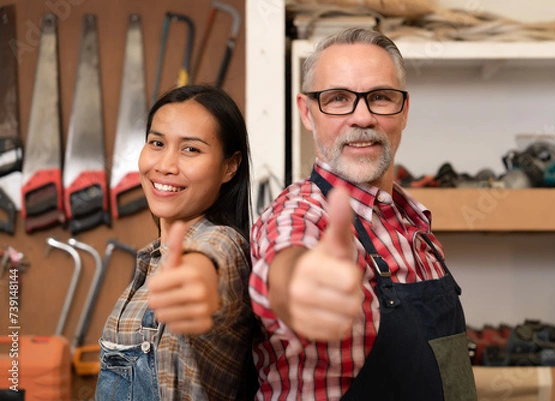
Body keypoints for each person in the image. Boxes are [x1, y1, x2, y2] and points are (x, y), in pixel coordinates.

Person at [249, 28, 477, 400]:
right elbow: (286, 258)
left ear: (403, 111)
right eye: (338, 99)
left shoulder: (414, 224)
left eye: (380, 98)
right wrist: (298, 286)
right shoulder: (300, 211)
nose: (362, 117)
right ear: (307, 112)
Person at [96, 85, 258, 401]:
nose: (166, 165)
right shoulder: (153, 257)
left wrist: (199, 273)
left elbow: (211, 260)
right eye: (157, 143)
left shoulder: (223, 242)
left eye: (191, 150)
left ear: (230, 166)